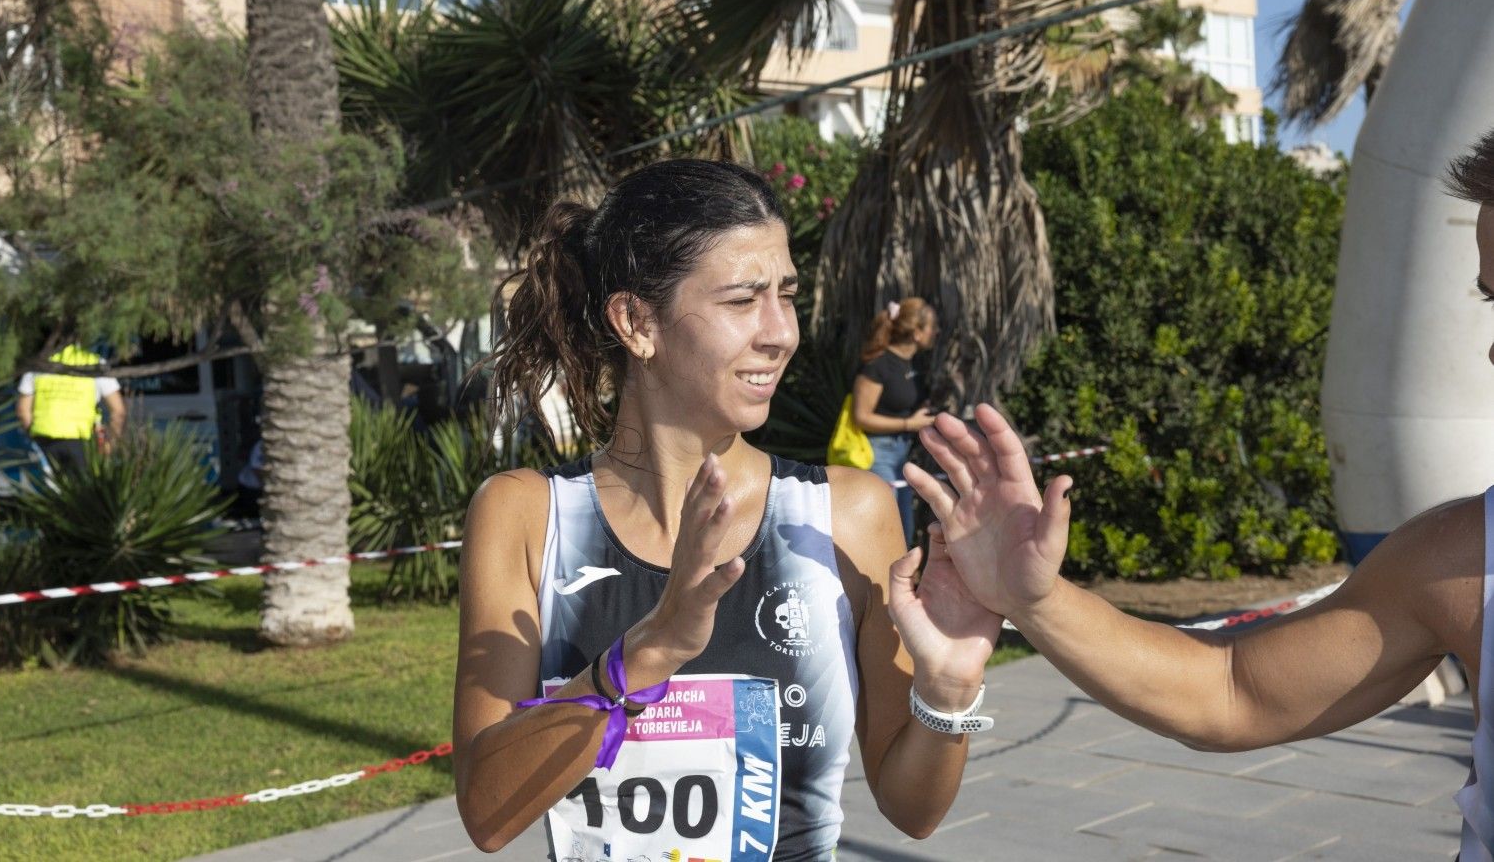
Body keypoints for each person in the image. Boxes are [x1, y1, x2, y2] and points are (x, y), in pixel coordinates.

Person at [906, 131, 1494, 861]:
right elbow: (1232, 691)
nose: (1492, 346)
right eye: (1493, 298)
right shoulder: (1459, 554)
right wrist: (1033, 599)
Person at [453, 159, 1001, 860]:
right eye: (743, 300)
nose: (780, 333)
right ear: (636, 321)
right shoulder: (526, 515)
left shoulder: (845, 512)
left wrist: (949, 690)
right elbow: (487, 814)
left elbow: (912, 808)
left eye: (786, 294)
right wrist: (646, 653)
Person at [852, 297, 939, 545]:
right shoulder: (878, 366)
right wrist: (908, 424)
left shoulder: (910, 364)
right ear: (916, 333)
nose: (935, 332)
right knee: (886, 533)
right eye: (931, 326)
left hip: (901, 453)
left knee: (903, 532)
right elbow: (861, 416)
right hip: (877, 454)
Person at [15, 343, 126, 473]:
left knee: (50, 489)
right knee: (81, 490)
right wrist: (109, 445)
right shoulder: (95, 363)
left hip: (44, 442)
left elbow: (23, 411)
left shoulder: (39, 364)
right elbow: (118, 410)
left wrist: (32, 433)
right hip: (83, 443)